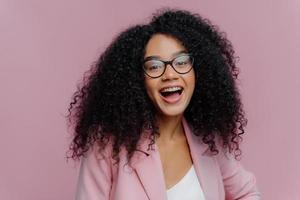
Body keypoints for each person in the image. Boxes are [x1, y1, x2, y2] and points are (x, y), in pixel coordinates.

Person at [67, 8, 261, 200]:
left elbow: (247, 193)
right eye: (154, 66)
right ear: (137, 79)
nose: (169, 75)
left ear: (199, 70)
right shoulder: (107, 146)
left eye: (182, 62)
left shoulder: (209, 140)